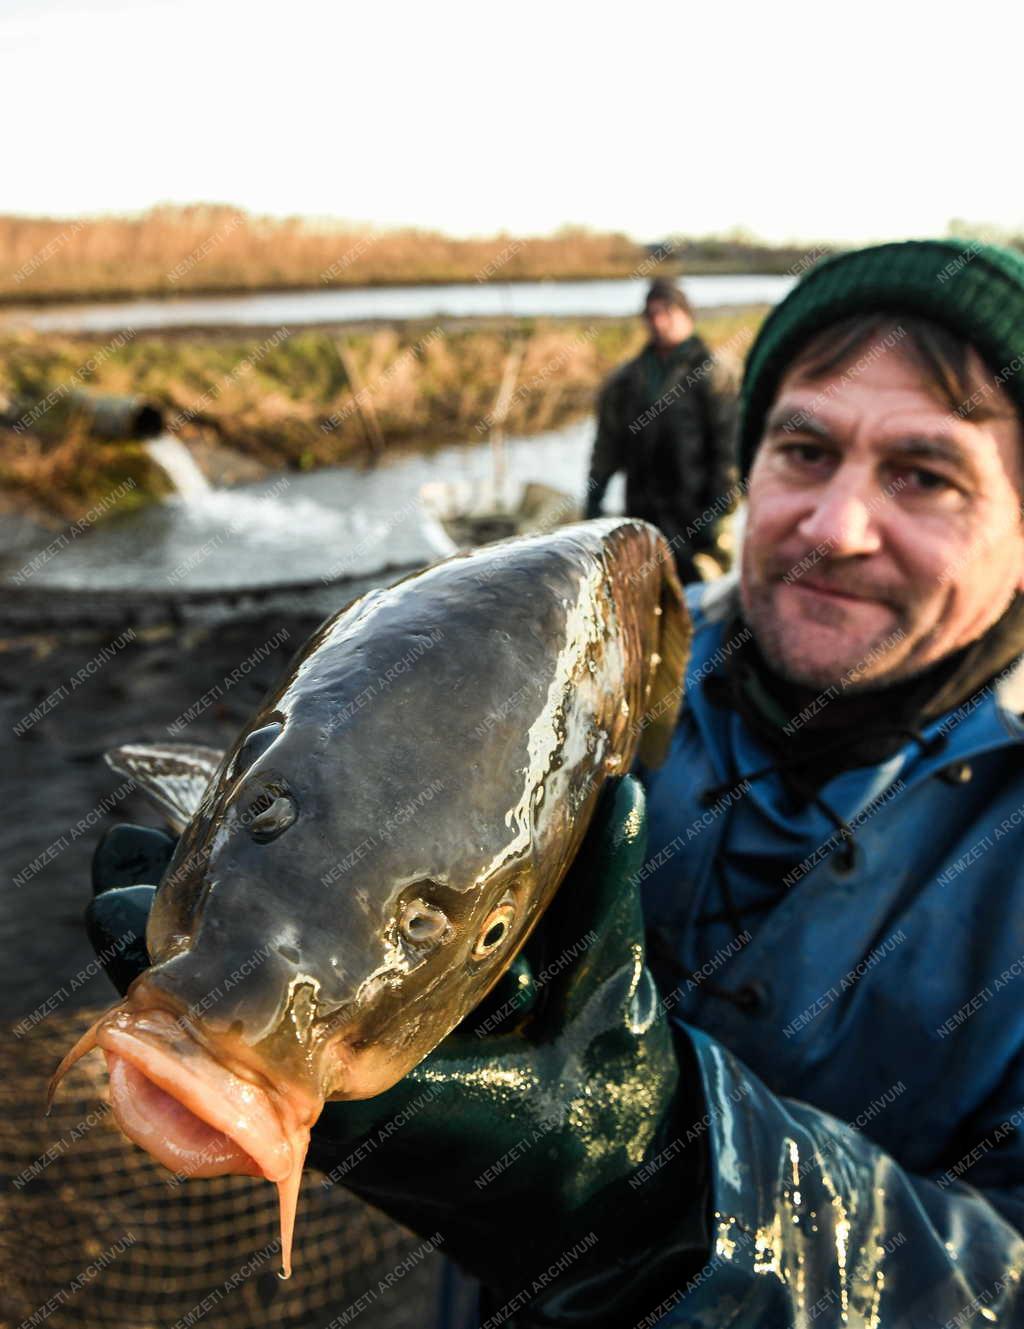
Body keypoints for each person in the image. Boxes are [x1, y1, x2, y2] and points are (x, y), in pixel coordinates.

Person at [88, 239, 1024, 1327]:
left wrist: (666, 1202)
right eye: (804, 450)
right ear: (749, 465)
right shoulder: (582, 689)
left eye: (924, 475)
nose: (835, 527)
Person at [584, 278, 737, 581]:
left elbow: (730, 448)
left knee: (704, 597)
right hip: (643, 509)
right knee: (645, 590)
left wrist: (721, 511)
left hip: (696, 509)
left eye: (667, 312)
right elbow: (607, 443)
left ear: (686, 315)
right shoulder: (627, 378)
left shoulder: (715, 373)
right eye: (651, 314)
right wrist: (595, 496)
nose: (658, 321)